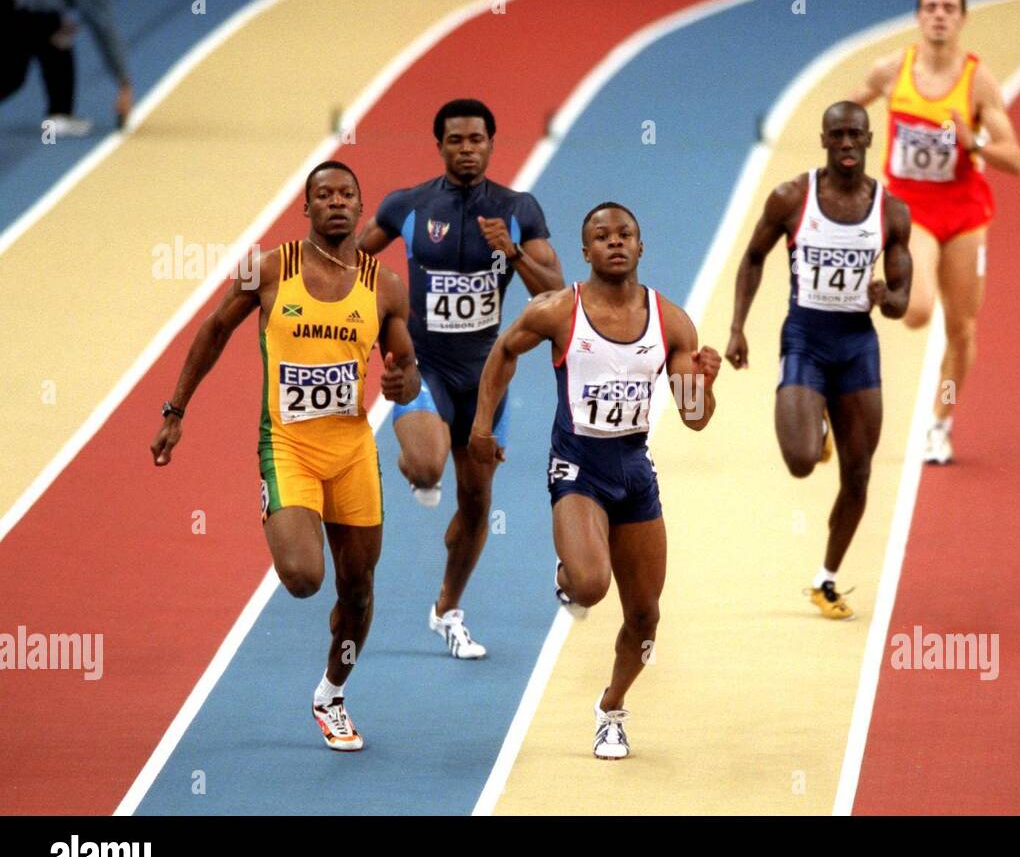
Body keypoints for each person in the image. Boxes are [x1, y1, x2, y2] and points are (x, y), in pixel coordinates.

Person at [151, 161, 420, 751]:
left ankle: (332, 694)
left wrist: (405, 383)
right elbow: (214, 329)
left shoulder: (386, 285)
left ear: (360, 203)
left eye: (347, 193)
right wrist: (176, 411)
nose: (336, 203)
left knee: (359, 587)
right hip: (288, 446)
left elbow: (405, 361)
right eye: (323, 195)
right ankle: (279, 507)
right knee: (303, 578)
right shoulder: (269, 268)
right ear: (306, 208)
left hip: (351, 452)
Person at [469, 202, 720, 760]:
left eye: (624, 233)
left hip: (634, 471)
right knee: (589, 586)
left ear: (640, 245)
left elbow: (695, 417)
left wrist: (704, 382)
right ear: (585, 251)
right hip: (577, 467)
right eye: (601, 236)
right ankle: (567, 572)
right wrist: (482, 426)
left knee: (647, 616)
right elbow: (503, 351)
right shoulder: (558, 311)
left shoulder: (672, 322)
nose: (614, 242)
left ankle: (611, 709)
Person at [358, 98, 564, 660]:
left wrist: (512, 251)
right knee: (427, 468)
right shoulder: (407, 205)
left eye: (477, 140)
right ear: (441, 145)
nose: (467, 149)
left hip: (486, 378)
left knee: (475, 505)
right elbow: (349, 259)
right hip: (424, 366)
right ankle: (420, 470)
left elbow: (552, 289)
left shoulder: (518, 209)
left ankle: (446, 610)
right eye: (456, 140)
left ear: (492, 144)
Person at [726, 102, 912, 620]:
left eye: (857, 135)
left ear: (869, 139)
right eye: (839, 135)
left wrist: (884, 297)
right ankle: (816, 427)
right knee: (802, 462)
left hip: (857, 346)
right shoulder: (792, 198)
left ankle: (826, 579)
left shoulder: (891, 213)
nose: (848, 143)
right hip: (806, 339)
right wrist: (737, 327)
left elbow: (901, 301)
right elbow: (754, 256)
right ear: (825, 140)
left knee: (858, 475)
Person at [848, 0, 1020, 464]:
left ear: (963, 18)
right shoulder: (893, 70)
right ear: (919, 17)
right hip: (912, 209)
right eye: (931, 7)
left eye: (949, 7)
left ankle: (939, 424)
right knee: (919, 311)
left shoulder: (978, 81)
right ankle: (880, 286)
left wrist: (975, 143)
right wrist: (840, 142)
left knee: (963, 328)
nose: (940, 14)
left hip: (965, 216)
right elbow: (848, 106)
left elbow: (1016, 158)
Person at [0, 0, 132, 135]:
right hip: (13, 0)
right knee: (11, 76)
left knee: (57, 35)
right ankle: (59, 115)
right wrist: (124, 82)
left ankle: (59, 115)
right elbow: (102, 25)